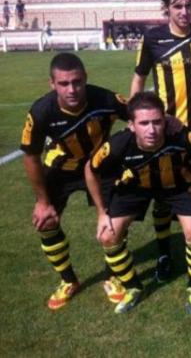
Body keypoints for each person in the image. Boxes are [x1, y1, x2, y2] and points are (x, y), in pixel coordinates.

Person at [20, 53, 129, 310]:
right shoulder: (41, 111)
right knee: (46, 222)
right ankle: (68, 280)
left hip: (100, 169)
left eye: (77, 82)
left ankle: (112, 275)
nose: (72, 89)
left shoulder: (106, 99)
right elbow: (31, 156)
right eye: (64, 84)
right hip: (61, 170)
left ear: (85, 79)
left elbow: (136, 116)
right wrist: (43, 201)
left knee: (114, 224)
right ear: (52, 84)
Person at [130, 0, 191, 280]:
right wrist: (137, 117)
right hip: (166, 133)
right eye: (178, 6)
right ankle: (165, 254)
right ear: (166, 8)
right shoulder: (153, 39)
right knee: (164, 196)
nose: (184, 11)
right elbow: (139, 79)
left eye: (189, 5)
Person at [86, 92, 191, 314]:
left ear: (166, 120)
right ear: (131, 125)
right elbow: (90, 169)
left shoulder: (180, 135)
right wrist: (102, 213)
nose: (151, 130)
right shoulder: (118, 144)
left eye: (157, 122)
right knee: (108, 236)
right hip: (135, 188)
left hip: (176, 186)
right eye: (144, 123)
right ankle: (133, 287)